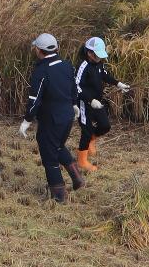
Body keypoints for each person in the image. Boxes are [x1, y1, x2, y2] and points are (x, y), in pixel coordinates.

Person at [18, 33, 84, 202]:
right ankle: (77, 177)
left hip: (51, 119)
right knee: (58, 146)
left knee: (49, 155)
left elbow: (35, 99)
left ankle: (59, 196)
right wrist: (75, 104)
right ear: (56, 48)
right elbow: (74, 88)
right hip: (67, 116)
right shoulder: (67, 65)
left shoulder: (42, 71)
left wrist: (27, 120)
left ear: (39, 50)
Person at [73, 36, 126, 172]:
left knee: (105, 126)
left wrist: (118, 83)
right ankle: (82, 160)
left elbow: (105, 75)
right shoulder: (83, 66)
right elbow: (76, 86)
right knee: (86, 131)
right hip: (85, 104)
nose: (99, 58)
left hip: (98, 102)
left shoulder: (99, 64)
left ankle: (92, 139)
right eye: (97, 55)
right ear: (89, 53)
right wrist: (90, 100)